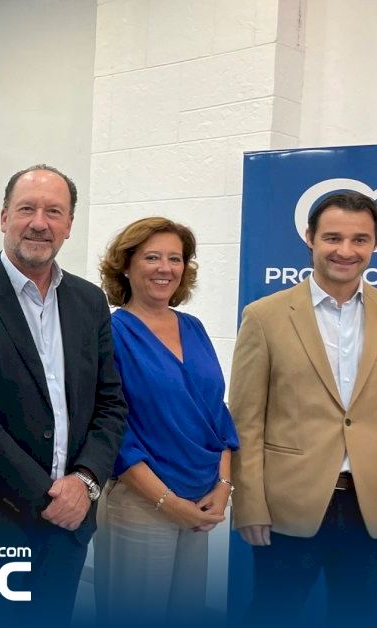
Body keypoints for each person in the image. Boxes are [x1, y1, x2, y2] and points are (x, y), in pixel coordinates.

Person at [231, 190, 377, 623]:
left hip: (374, 508)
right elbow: (245, 421)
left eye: (360, 239)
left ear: (376, 243)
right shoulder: (264, 316)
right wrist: (249, 504)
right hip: (288, 506)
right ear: (310, 238)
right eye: (333, 237)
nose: (346, 250)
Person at [0, 164, 128, 623]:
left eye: (54, 212)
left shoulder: (89, 301)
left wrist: (85, 483)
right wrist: (50, 497)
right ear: (4, 218)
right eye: (27, 209)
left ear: (69, 224)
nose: (40, 223)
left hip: (69, 531)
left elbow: (110, 404)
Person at [92, 217, 238, 624]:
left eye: (175, 259)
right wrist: (168, 503)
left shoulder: (194, 327)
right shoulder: (111, 332)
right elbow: (115, 432)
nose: (165, 268)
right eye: (152, 257)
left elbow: (217, 413)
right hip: (141, 502)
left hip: (200, 500)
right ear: (126, 265)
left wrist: (223, 486)